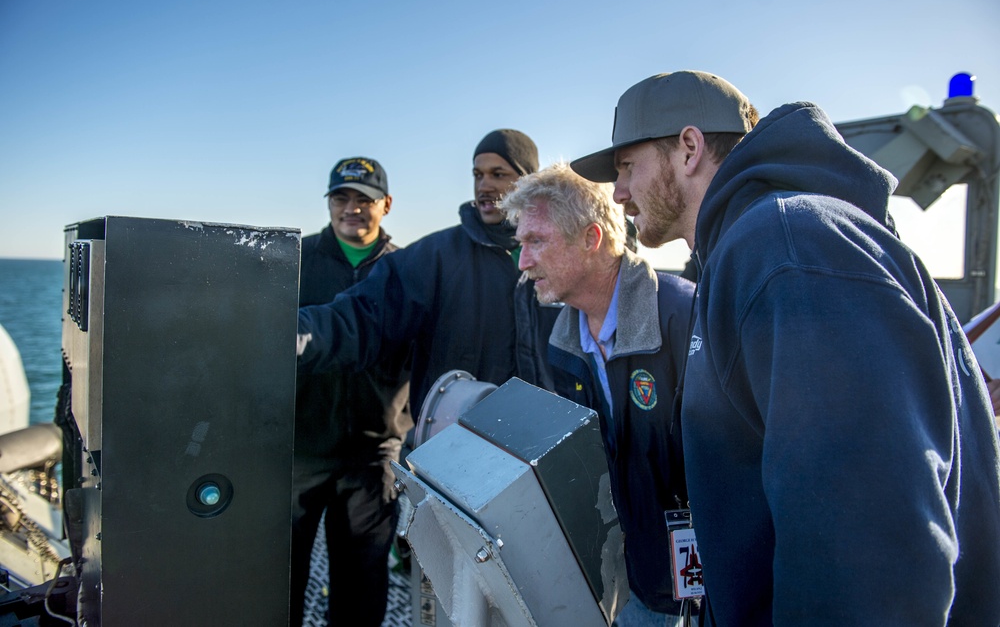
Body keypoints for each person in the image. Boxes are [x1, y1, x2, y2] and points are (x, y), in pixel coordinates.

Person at [571, 70, 1000, 625]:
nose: (618, 193)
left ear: (689, 148)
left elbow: (866, 552)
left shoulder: (786, 250)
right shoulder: (761, 247)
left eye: (627, 167)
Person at [501, 163, 695, 626]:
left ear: (591, 238)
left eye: (537, 241)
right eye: (521, 244)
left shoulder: (683, 316)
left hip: (703, 582)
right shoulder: (565, 340)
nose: (523, 262)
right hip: (627, 577)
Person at [297, 129, 562, 422]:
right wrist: (288, 333)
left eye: (498, 174)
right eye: (477, 174)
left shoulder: (561, 254)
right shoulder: (435, 257)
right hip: (452, 446)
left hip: (542, 440)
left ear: (527, 181)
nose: (484, 186)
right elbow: (360, 316)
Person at [290, 157, 411, 627]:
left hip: (372, 453)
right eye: (341, 198)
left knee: (362, 585)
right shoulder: (292, 262)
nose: (351, 209)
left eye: (364, 200)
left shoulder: (406, 273)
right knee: (280, 579)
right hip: (298, 450)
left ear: (386, 204)